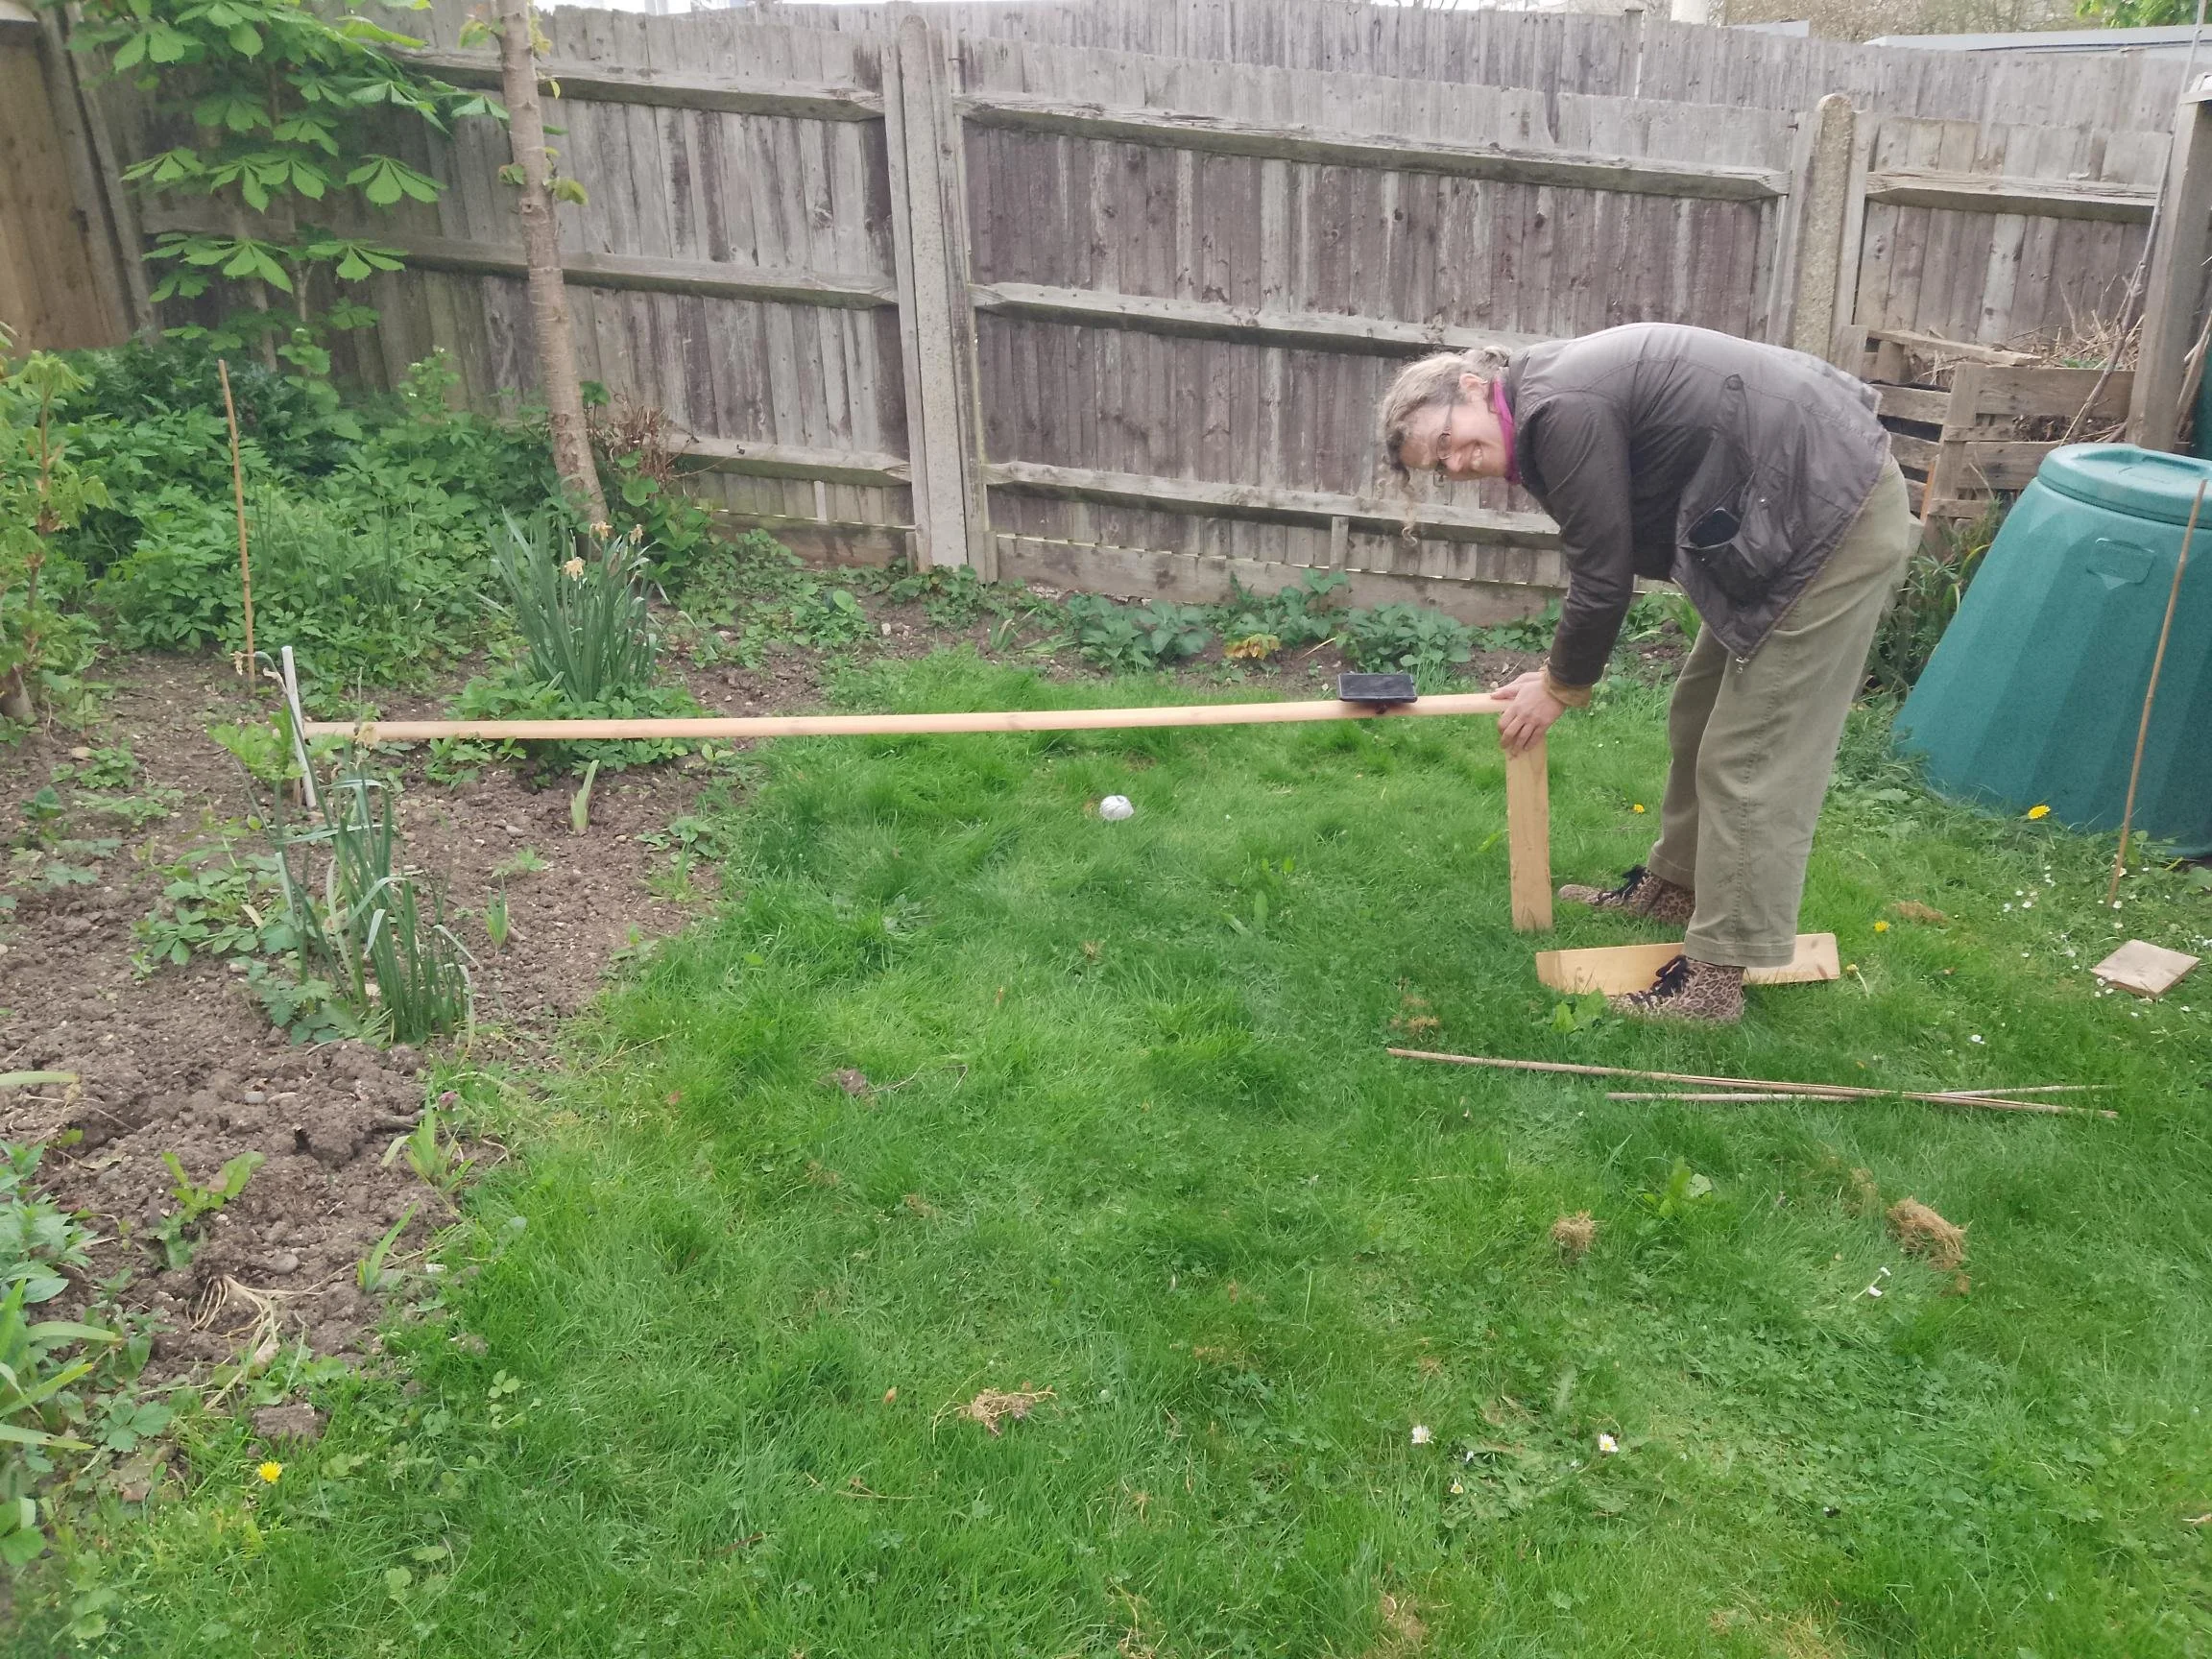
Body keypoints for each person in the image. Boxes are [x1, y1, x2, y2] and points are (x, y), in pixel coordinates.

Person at [1377, 323, 1913, 1023]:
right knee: (1697, 712)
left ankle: (1715, 981)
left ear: (1475, 387)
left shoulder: (1559, 409)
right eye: (1438, 467)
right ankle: (1673, 889)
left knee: (1750, 755)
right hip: (1782, 513)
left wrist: (1559, 687)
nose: (1455, 465)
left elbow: (1603, 577)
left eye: (1447, 441)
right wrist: (1554, 674)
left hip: (1828, 516)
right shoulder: (1544, 406)